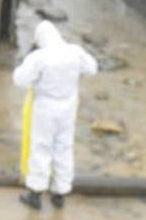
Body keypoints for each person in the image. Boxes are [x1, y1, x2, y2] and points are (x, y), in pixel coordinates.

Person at [13, 21, 98, 210]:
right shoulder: (74, 51)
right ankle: (60, 193)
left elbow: (19, 80)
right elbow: (92, 68)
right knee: (64, 147)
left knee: (41, 147)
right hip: (68, 107)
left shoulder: (39, 57)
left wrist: (27, 58)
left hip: (45, 108)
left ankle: (35, 193)